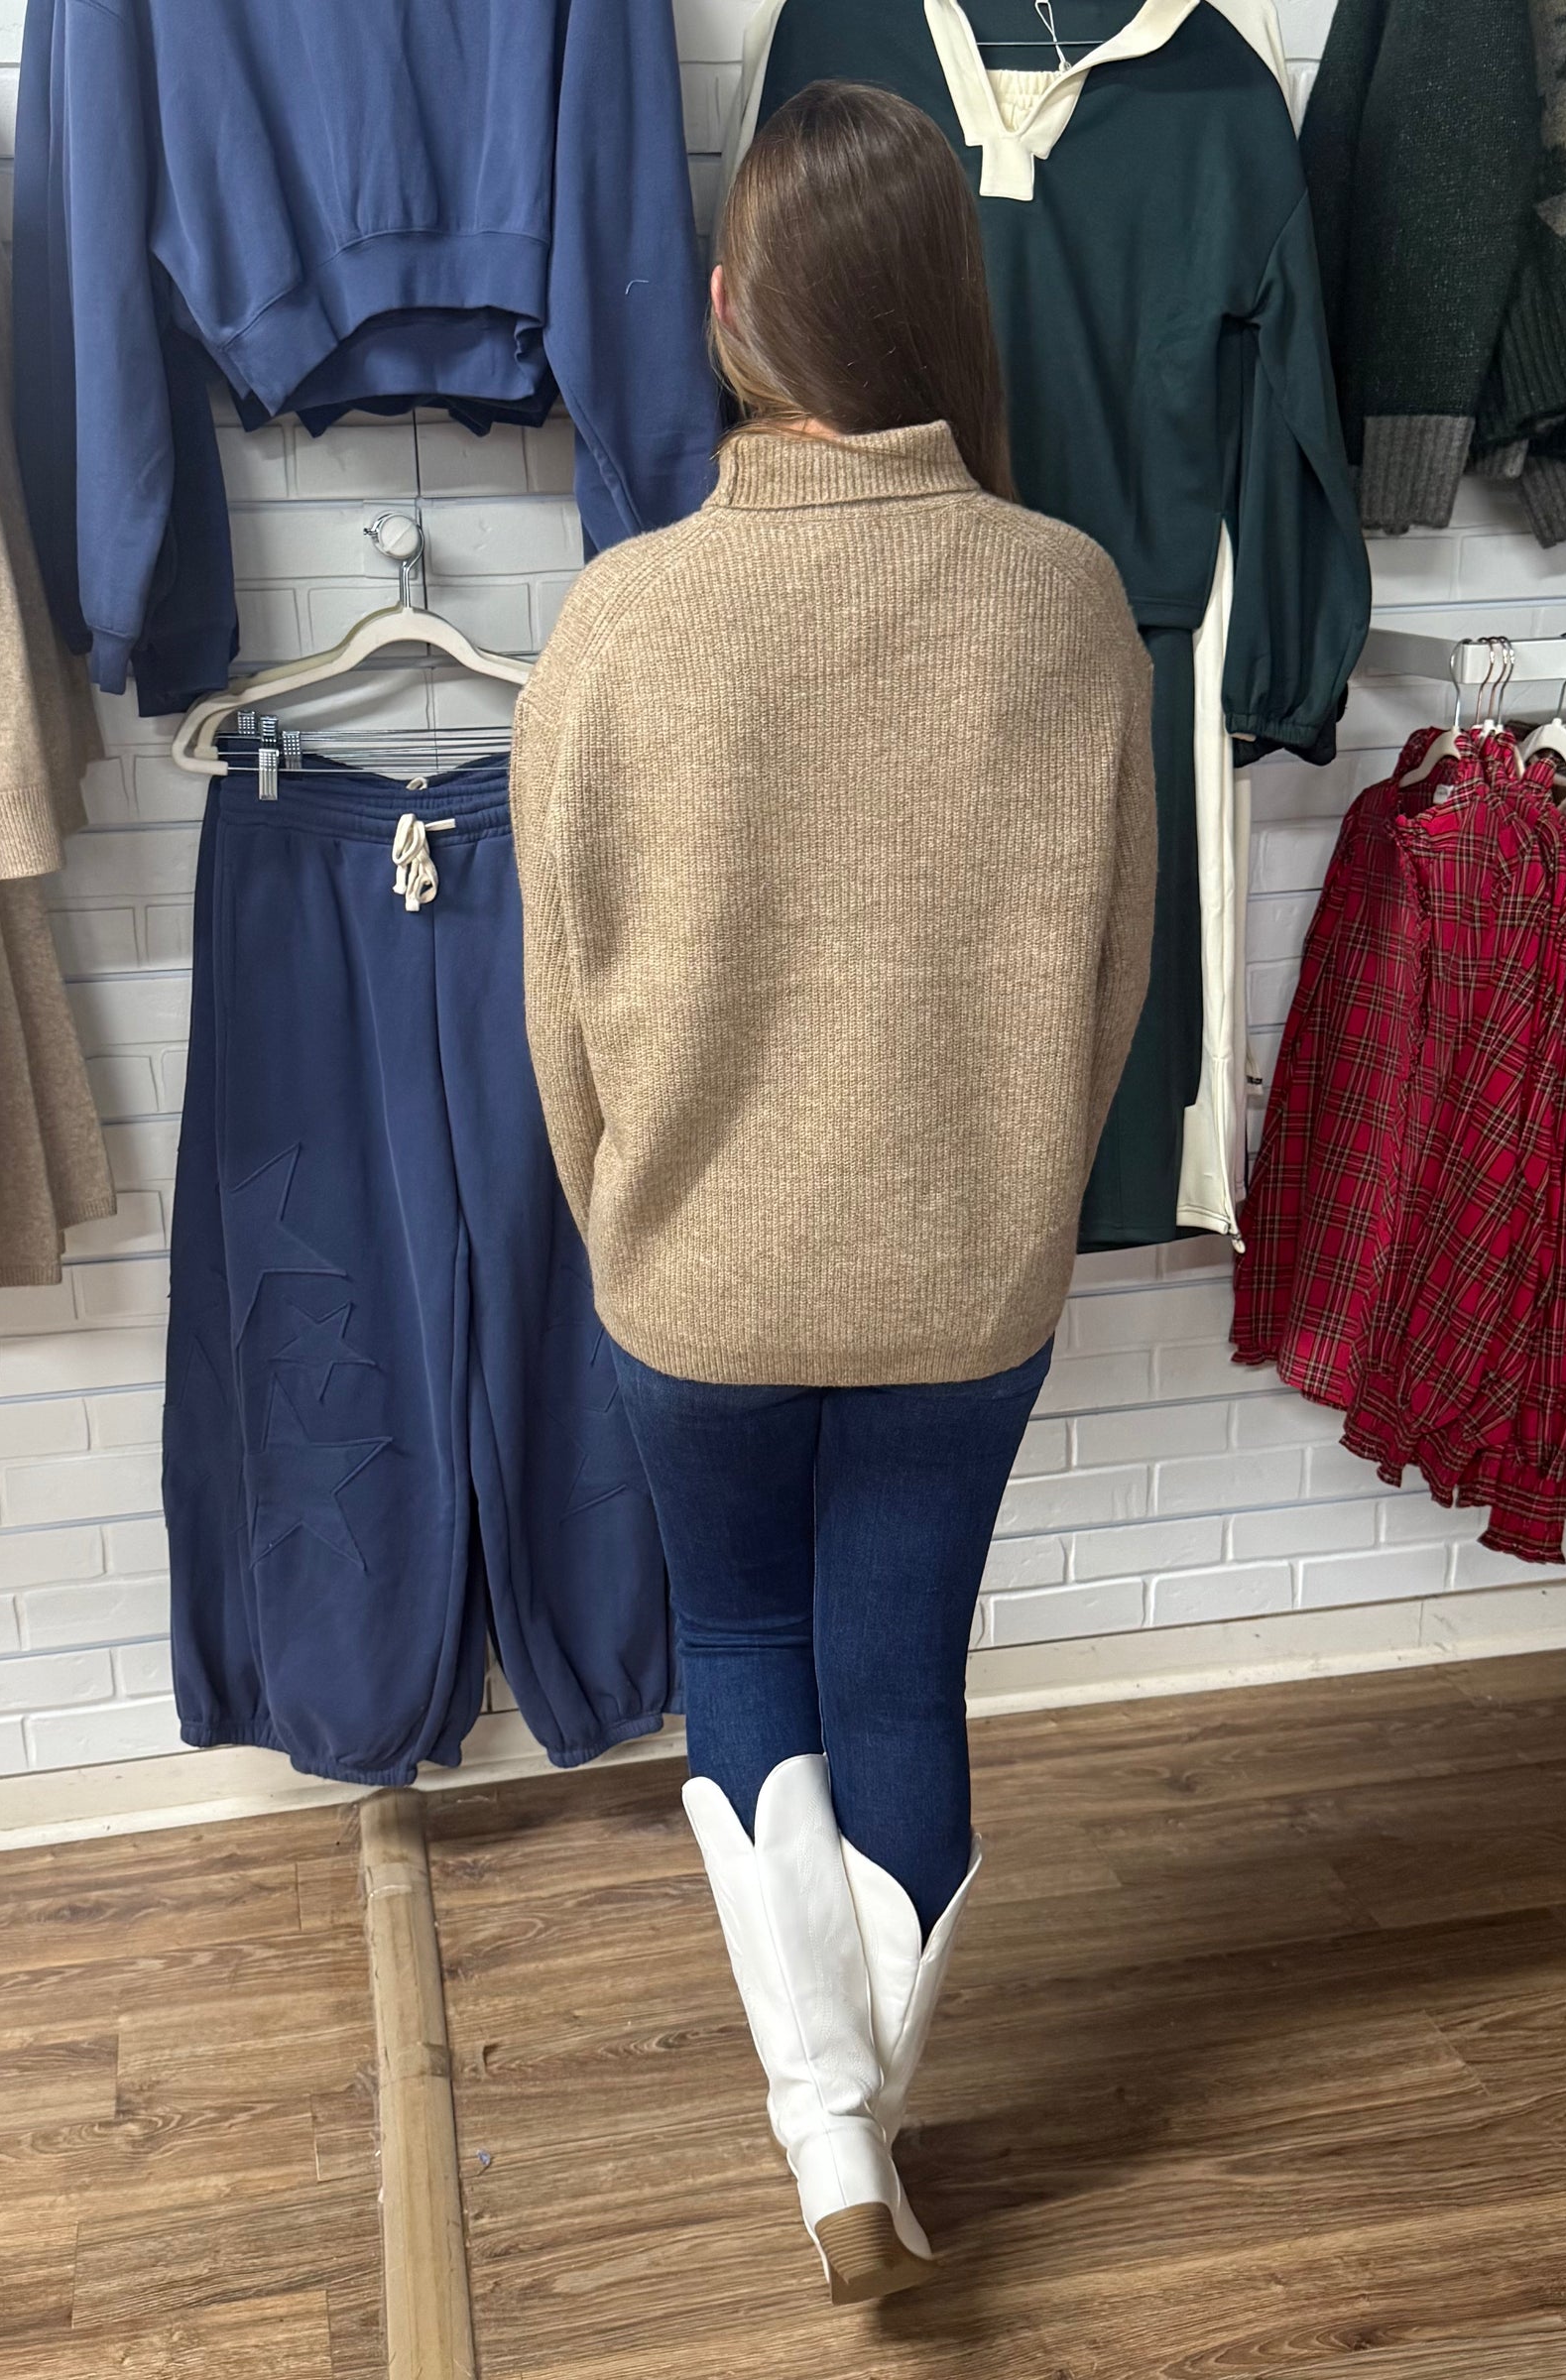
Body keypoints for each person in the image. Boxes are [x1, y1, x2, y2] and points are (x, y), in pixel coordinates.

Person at [509, 80, 1155, 2304]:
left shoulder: (616, 623)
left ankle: (826, 2130)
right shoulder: (1068, 602)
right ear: (947, 307)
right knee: (900, 1672)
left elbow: (560, 1015)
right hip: (964, 1279)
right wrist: (1014, 1204)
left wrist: (629, 1229)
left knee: (744, 1646)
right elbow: (1111, 987)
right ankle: (852, 2124)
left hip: (690, 1276)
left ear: (727, 313)